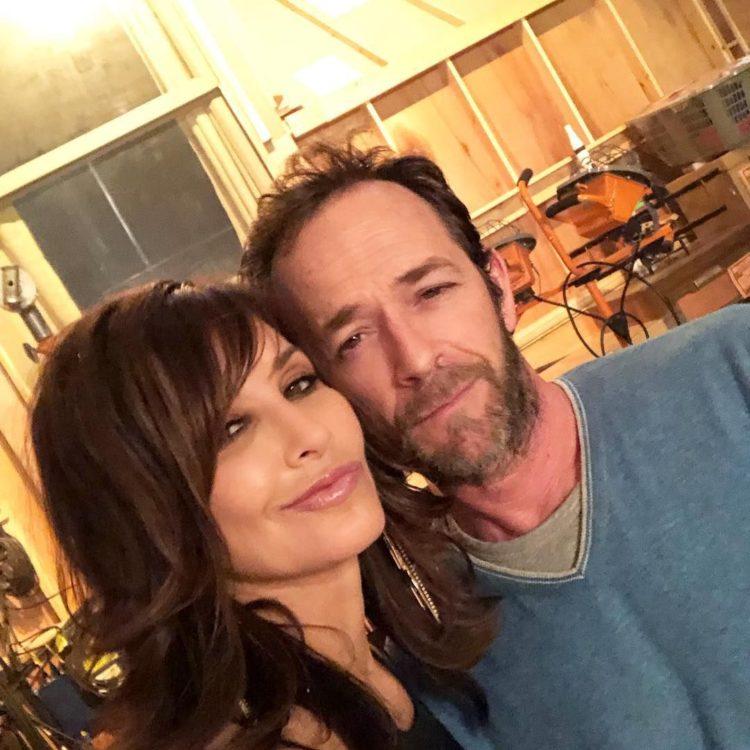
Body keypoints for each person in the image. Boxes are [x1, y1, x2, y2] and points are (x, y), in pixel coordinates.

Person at [240, 143, 750, 750]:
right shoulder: (438, 655)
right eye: (353, 339)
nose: (416, 358)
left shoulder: (734, 369)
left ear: (500, 289)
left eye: (431, 292)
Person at [29, 281, 497, 750]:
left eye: (299, 384)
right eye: (231, 429)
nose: (309, 434)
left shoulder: (388, 655)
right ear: (144, 514)